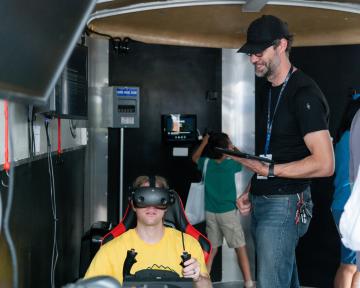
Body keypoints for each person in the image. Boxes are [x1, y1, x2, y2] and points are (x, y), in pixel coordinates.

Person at [236, 15, 334, 288]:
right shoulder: (270, 89)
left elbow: (325, 164)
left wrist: (270, 171)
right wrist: (251, 188)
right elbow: (275, 151)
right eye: (250, 53)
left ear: (280, 45)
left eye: (258, 52)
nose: (253, 59)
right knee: (281, 279)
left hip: (286, 203)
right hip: (264, 199)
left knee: (271, 282)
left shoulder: (305, 94)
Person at [84, 175, 212, 287]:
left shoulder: (189, 245)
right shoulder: (111, 249)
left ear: (167, 204)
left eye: (158, 199)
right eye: (143, 199)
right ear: (133, 204)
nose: (151, 207)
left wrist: (198, 278)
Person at [192, 132, 254, 288]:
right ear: (225, 149)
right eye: (229, 143)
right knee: (240, 247)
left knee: (212, 249)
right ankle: (248, 283)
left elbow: (195, 157)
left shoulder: (206, 163)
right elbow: (245, 160)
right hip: (228, 214)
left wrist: (205, 142)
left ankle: (203, 283)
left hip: (210, 213)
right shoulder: (231, 164)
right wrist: (233, 149)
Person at [331, 93, 360, 288]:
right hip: (352, 206)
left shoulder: (342, 139)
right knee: (352, 265)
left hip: (341, 204)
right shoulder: (353, 138)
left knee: (350, 264)